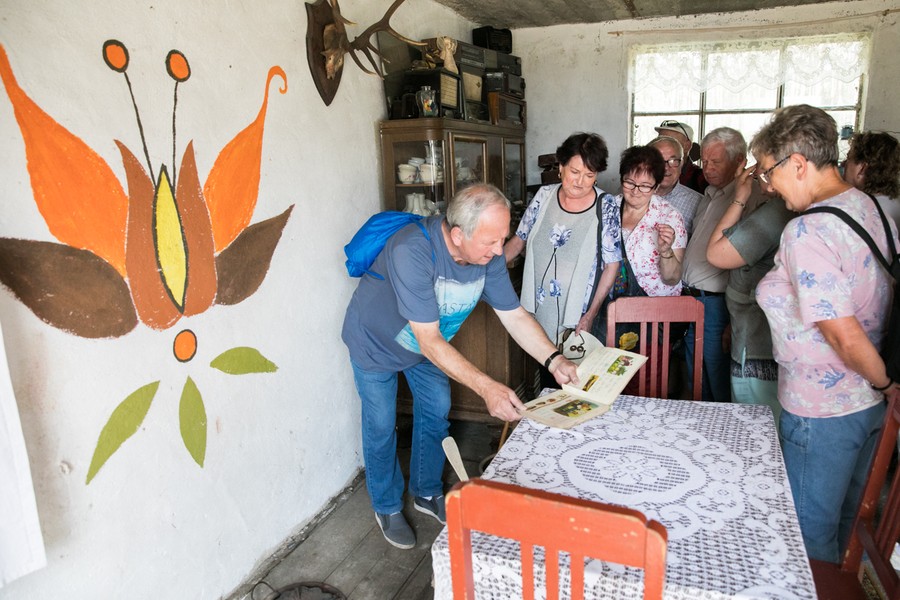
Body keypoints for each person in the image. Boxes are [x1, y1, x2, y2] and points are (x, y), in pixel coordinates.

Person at [342, 183, 579, 549]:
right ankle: (387, 505)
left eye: (503, 238)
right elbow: (431, 340)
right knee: (380, 424)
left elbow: (514, 315)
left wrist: (553, 358)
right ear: (457, 235)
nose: (499, 251)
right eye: (490, 241)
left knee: (437, 408)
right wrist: (486, 387)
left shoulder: (490, 254)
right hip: (376, 343)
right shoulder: (412, 251)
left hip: (424, 346)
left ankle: (425, 491)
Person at [752, 104, 900, 563]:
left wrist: (886, 383)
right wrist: (883, 387)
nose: (768, 185)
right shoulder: (869, 206)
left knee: (805, 539)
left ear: (797, 164)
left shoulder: (809, 230)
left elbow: (842, 335)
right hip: (866, 405)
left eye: (767, 172)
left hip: (822, 411)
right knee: (844, 525)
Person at [504, 133, 621, 386]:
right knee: (549, 380)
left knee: (579, 387)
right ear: (560, 167)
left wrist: (590, 314)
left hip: (579, 316)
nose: (580, 182)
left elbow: (612, 265)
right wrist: (482, 268)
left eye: (589, 175)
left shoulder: (606, 205)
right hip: (542, 312)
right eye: (575, 172)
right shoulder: (544, 197)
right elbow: (518, 241)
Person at [681, 127, 763, 403]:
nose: (707, 168)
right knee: (696, 380)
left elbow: (751, 263)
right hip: (694, 301)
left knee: (715, 382)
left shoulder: (747, 198)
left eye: (716, 162)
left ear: (739, 160)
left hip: (717, 305)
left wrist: (732, 319)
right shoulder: (710, 194)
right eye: (704, 161)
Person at [706, 161, 792, 424]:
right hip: (760, 339)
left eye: (765, 170)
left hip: (759, 349)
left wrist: (740, 198)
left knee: (755, 429)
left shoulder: (777, 212)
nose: (759, 178)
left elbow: (716, 253)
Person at [598, 145, 687, 350]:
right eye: (630, 183)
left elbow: (672, 278)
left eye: (645, 186)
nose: (636, 191)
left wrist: (666, 252)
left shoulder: (669, 217)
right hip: (609, 313)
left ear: (656, 187)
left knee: (647, 378)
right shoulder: (606, 209)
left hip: (653, 317)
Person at [649, 135, 703, 237]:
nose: (666, 168)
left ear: (682, 163)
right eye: (659, 161)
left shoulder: (698, 203)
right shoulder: (633, 195)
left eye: (673, 161)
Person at [842, 131, 900, 226]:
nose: (843, 164)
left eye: (848, 158)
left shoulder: (864, 213)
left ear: (862, 169)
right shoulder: (892, 205)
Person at [654, 119, 707, 193]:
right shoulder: (647, 171)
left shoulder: (700, 179)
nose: (663, 145)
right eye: (659, 140)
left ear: (687, 146)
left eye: (671, 142)